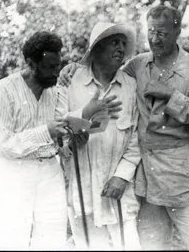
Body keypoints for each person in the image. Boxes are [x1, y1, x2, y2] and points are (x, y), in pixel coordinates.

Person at [59, 5, 189, 250]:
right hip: (148, 179)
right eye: (151, 31)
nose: (155, 39)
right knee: (150, 244)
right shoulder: (138, 65)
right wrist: (72, 68)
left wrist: (171, 95)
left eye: (163, 33)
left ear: (177, 32)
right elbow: (106, 72)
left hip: (185, 176)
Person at [0, 31, 121, 250]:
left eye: (59, 65)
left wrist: (82, 127)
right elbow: (2, 144)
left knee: (51, 240)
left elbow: (62, 131)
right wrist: (45, 131)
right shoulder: (4, 90)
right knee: (9, 241)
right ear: (31, 63)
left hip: (50, 172)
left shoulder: (57, 91)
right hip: (12, 173)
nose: (57, 72)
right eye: (50, 67)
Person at [61, 22, 142, 250]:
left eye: (123, 44)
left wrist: (122, 176)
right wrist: (72, 141)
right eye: (114, 42)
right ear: (96, 48)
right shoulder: (69, 82)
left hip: (118, 189)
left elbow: (137, 137)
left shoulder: (131, 87)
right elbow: (56, 130)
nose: (121, 48)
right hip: (81, 185)